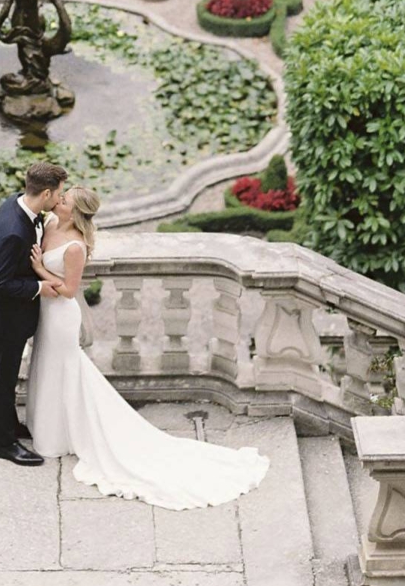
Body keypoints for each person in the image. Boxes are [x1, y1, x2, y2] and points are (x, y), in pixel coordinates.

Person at [25, 184, 271, 509]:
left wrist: (40, 269)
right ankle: (52, 428)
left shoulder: (75, 247)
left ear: (77, 211)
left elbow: (70, 291)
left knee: (65, 368)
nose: (59, 200)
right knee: (48, 366)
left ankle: (64, 435)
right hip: (45, 311)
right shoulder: (51, 223)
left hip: (61, 315)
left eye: (65, 199)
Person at [0, 161, 67, 466]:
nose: (59, 200)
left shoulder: (15, 202)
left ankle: (11, 425)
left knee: (8, 376)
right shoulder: (14, 232)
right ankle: (4, 444)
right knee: (4, 380)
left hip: (9, 314)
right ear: (44, 193)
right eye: (58, 194)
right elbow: (2, 283)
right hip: (4, 317)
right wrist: (40, 287)